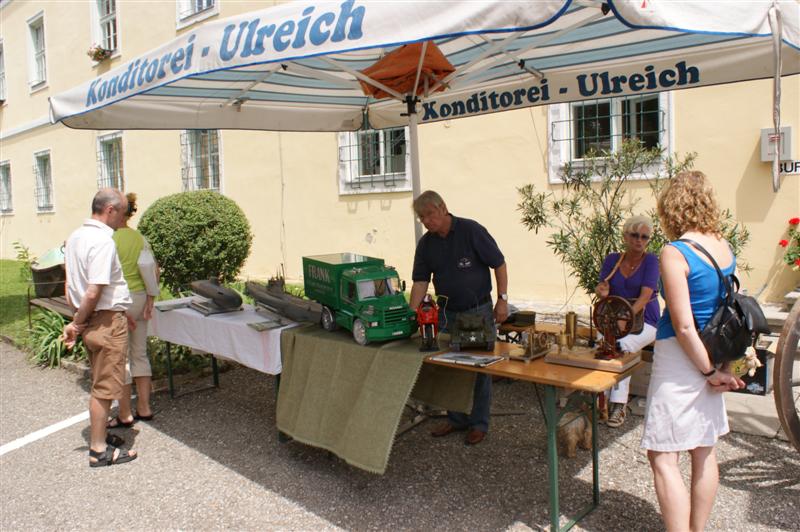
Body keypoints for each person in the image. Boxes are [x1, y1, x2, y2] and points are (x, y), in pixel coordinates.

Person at [641, 171, 744, 531]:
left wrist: (707, 372)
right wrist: (721, 367)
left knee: (663, 456)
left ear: (671, 207)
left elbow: (684, 326)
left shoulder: (675, 252)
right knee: (703, 451)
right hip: (714, 354)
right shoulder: (723, 246)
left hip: (681, 360)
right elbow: (728, 309)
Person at [409, 190, 509, 446]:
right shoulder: (426, 244)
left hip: (475, 311)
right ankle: (456, 418)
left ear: (443, 208)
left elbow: (498, 263)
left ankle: (479, 423)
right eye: (422, 218)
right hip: (445, 314)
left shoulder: (471, 231)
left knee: (477, 369)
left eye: (430, 215)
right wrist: (413, 313)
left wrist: (503, 300)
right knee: (451, 368)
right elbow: (420, 281)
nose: (427, 222)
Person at [63, 188, 138, 467]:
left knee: (100, 380)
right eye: (123, 211)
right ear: (110, 210)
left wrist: (77, 321)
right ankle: (98, 449)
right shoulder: (103, 242)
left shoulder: (75, 238)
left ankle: (100, 436)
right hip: (105, 321)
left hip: (97, 320)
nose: (125, 217)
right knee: (105, 388)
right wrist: (78, 323)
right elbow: (94, 291)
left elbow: (70, 285)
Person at [594, 215, 660, 428]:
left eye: (644, 237)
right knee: (603, 343)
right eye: (634, 235)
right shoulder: (613, 259)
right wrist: (601, 292)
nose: (639, 240)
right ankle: (599, 398)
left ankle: (617, 403)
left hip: (644, 319)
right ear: (625, 236)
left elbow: (645, 296)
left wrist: (625, 319)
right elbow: (603, 290)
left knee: (624, 345)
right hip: (615, 317)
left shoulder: (651, 261)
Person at [106, 193, 160, 429]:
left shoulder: (108, 239)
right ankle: (145, 408)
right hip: (139, 298)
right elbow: (152, 270)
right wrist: (151, 298)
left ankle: (125, 413)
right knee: (140, 353)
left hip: (119, 300)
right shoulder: (140, 238)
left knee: (121, 357)